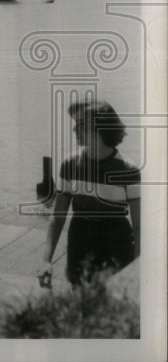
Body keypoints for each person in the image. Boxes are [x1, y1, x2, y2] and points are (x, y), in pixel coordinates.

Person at [39, 100, 140, 287]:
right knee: (80, 308)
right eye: (75, 124)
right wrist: (46, 260)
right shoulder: (70, 165)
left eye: (82, 124)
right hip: (80, 241)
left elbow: (140, 227)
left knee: (112, 310)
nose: (75, 130)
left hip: (117, 244)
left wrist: (138, 270)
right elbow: (58, 217)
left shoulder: (128, 169)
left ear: (102, 127)